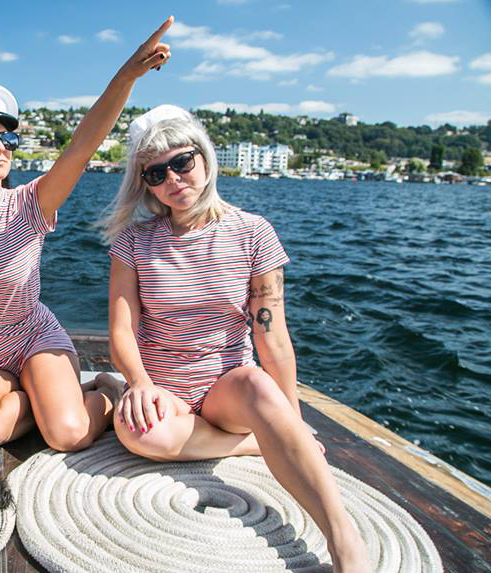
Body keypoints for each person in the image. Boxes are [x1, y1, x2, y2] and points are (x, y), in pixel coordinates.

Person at [101, 104, 371, 572]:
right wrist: (140, 383)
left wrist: (293, 417)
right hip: (164, 388)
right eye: (156, 173)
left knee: (260, 387)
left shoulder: (253, 233)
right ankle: (255, 441)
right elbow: (121, 329)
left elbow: (273, 337)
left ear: (205, 158)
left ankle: (344, 539)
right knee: (137, 433)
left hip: (227, 385)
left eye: (182, 162)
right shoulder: (133, 241)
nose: (173, 179)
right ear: (144, 183)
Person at [0, 18, 175, 452]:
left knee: (70, 435)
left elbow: (82, 145)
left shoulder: (30, 204)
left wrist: (127, 76)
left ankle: (103, 392)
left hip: (33, 337)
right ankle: (43, 401)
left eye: (7, 140)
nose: (1, 148)